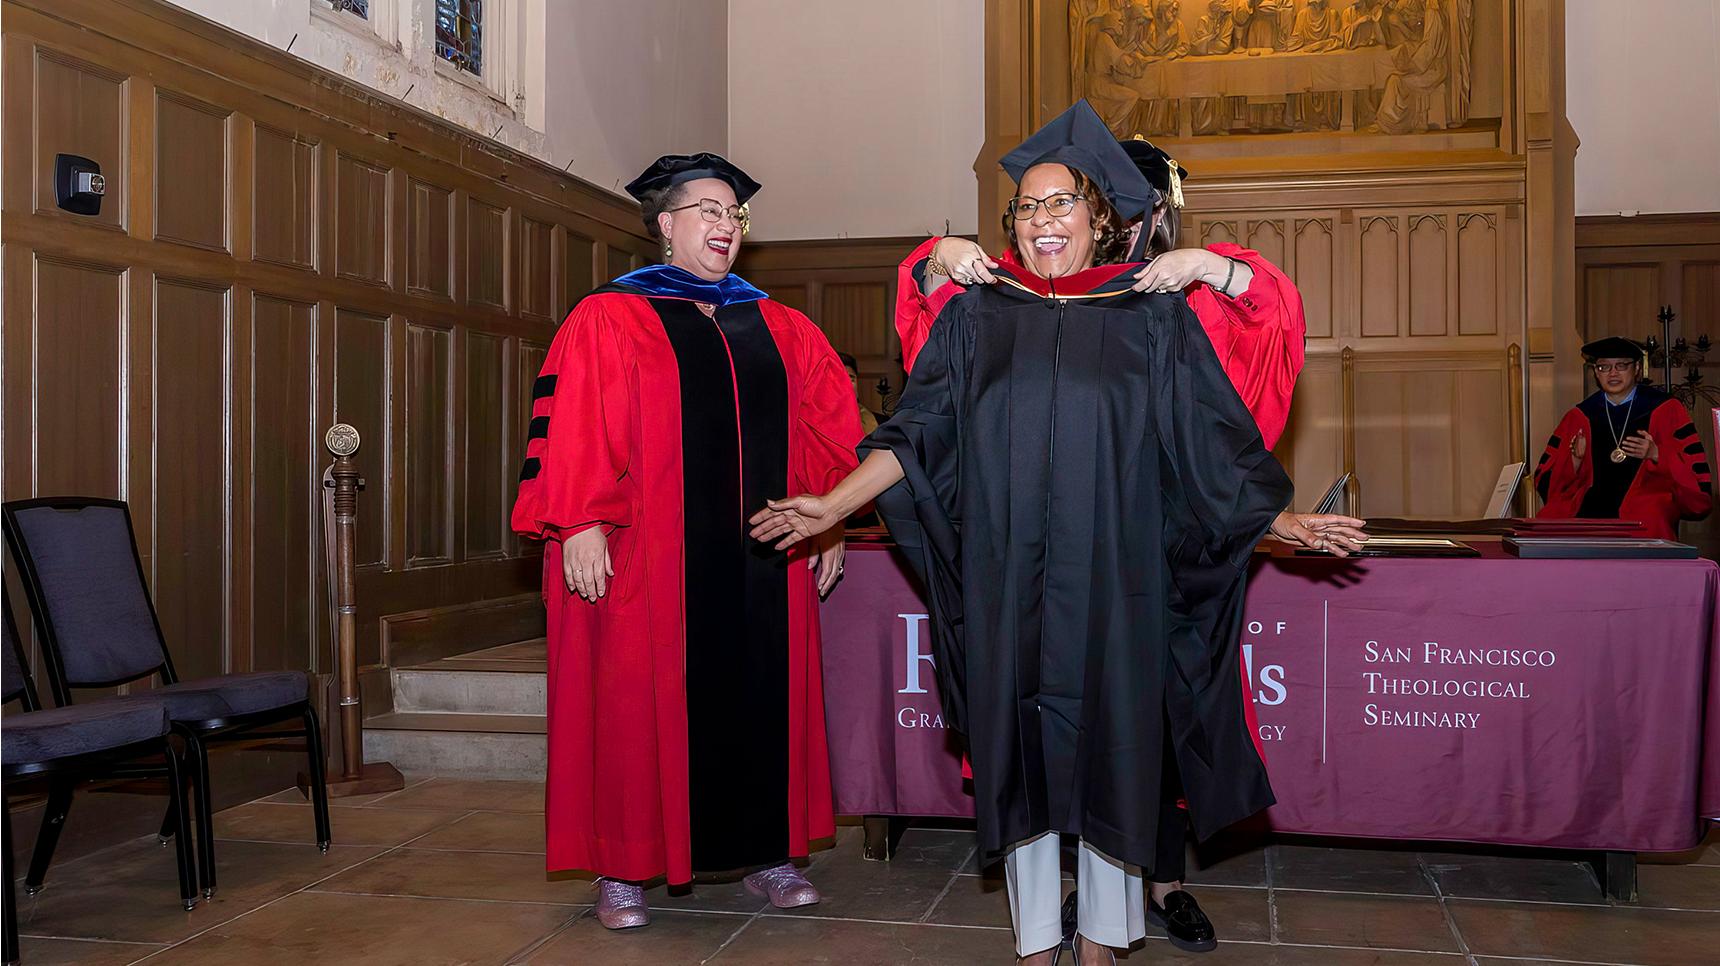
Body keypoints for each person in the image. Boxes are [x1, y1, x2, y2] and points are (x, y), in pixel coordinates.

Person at [749, 101, 1365, 965]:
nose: (1044, 221)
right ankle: (1038, 943)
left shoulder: (1149, 319)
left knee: (1118, 756)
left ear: (1100, 218)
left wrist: (1282, 518)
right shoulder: (975, 319)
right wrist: (833, 504)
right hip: (1010, 585)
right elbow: (915, 435)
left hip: (1117, 584)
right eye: (1029, 207)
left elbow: (1207, 439)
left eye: (1062, 204)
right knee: (1023, 761)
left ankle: (1108, 940)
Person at [511, 152, 863, 930]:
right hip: (649, 557)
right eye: (707, 209)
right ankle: (623, 868)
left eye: (735, 213)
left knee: (766, 694)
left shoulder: (782, 325)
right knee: (632, 699)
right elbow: (571, 428)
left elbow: (825, 430)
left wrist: (830, 514)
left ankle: (767, 851)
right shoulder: (610, 316)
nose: (725, 224)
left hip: (764, 558)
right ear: (665, 225)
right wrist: (577, 521)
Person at [1533, 336, 1712, 539]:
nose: (1613, 373)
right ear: (1595, 372)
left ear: (1636, 368)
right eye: (1604, 367)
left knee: (1652, 513)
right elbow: (1546, 483)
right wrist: (1574, 461)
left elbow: (1697, 485)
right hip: (1589, 512)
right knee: (1552, 527)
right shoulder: (1579, 416)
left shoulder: (1666, 410)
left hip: (1644, 510)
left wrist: (1657, 454)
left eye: (1621, 365)